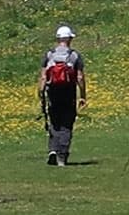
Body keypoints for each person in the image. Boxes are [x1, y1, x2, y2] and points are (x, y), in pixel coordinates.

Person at [38, 24, 88, 165]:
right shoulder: (74, 55)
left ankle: (53, 149)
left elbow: (43, 76)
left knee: (54, 120)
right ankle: (62, 155)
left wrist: (41, 92)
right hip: (68, 92)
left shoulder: (49, 54)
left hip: (52, 91)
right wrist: (83, 95)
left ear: (58, 39)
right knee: (66, 122)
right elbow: (79, 77)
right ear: (69, 39)